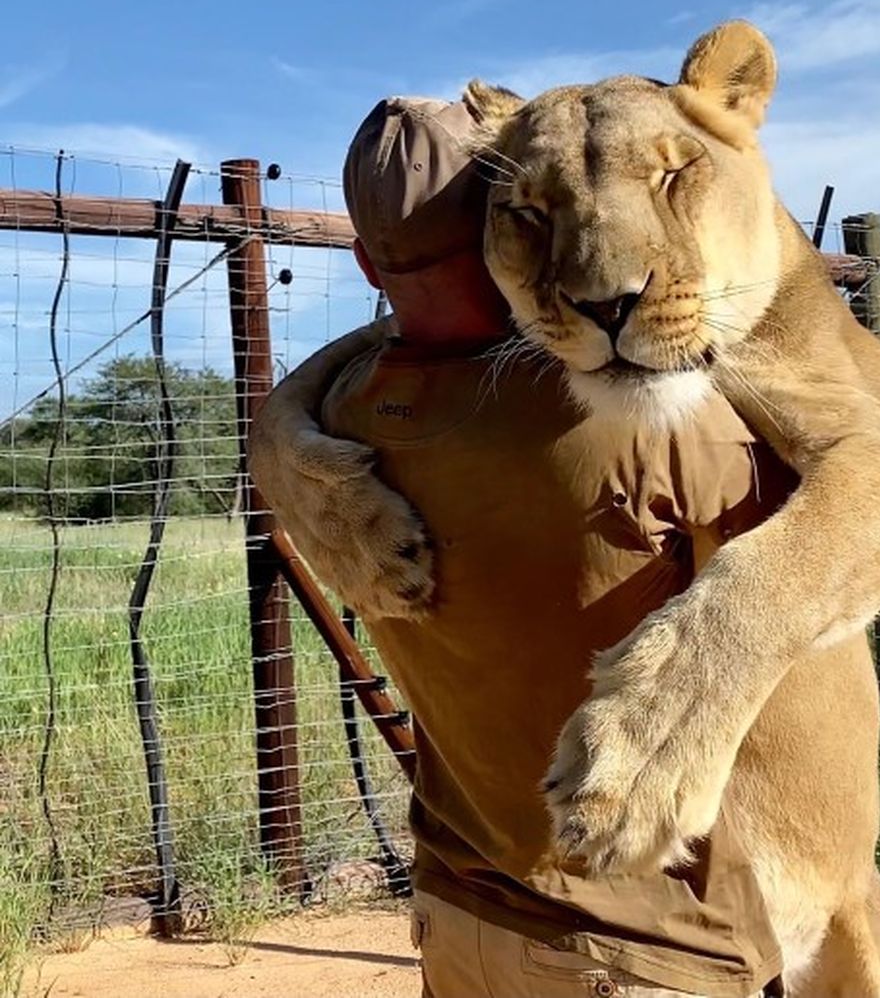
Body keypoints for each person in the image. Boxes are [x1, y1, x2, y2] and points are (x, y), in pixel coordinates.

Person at [255, 96, 799, 997]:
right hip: (641, 942)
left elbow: (385, 340)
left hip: (460, 912)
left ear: (365, 263)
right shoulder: (647, 419)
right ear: (505, 235)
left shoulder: (337, 422)